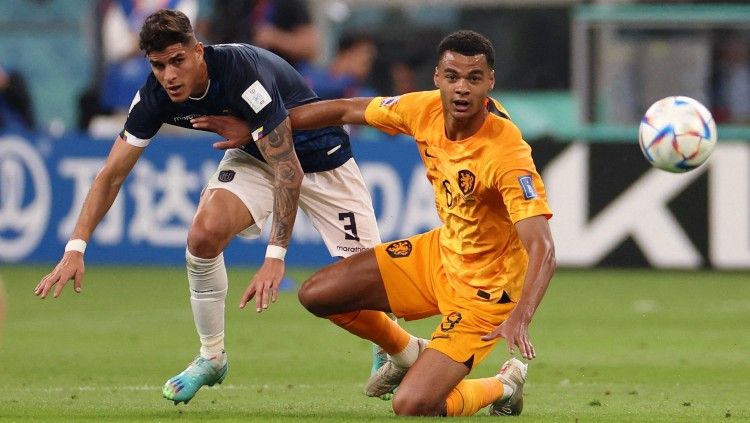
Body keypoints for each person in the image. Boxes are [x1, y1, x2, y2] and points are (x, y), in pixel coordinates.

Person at [33, 8, 400, 405]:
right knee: (203, 236)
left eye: (177, 61)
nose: (169, 75)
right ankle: (211, 356)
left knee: (367, 285)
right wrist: (75, 247)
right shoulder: (156, 96)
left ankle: (390, 346)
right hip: (252, 159)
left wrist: (275, 257)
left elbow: (288, 167)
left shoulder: (242, 74)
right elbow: (111, 173)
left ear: (198, 52)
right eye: (158, 65)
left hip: (321, 158)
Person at [289, 30, 556, 416]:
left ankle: (502, 385)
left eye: (474, 78)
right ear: (437, 77)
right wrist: (264, 128)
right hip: (439, 255)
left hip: (485, 292)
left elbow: (543, 247)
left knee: (412, 405)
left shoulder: (507, 152)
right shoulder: (422, 109)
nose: (462, 88)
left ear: (490, 82)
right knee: (317, 294)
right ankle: (405, 352)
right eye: (452, 77)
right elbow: (344, 109)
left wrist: (521, 317)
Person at [200, 0, 319, 70]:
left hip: (285, 76)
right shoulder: (238, 6)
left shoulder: (289, 3)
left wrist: (275, 38)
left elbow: (310, 48)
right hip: (244, 75)